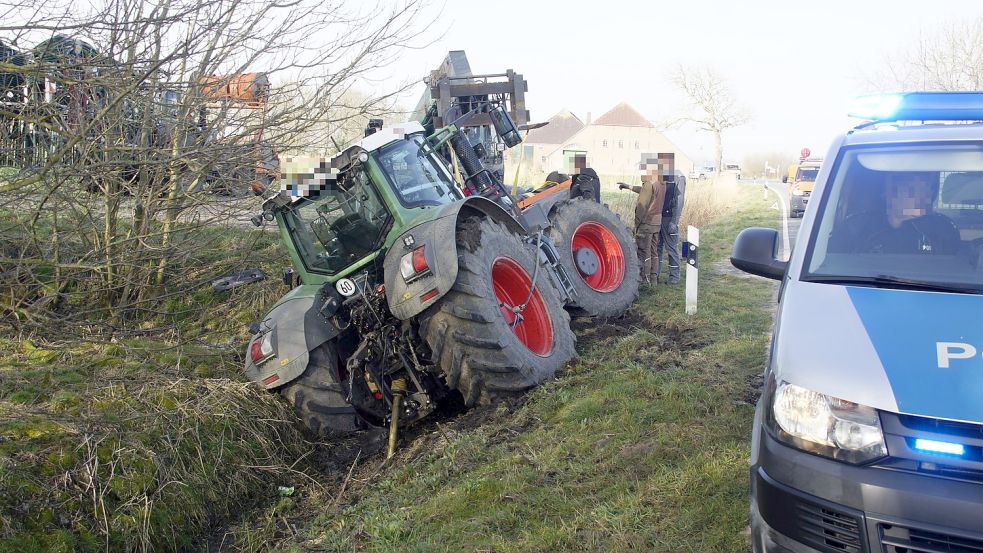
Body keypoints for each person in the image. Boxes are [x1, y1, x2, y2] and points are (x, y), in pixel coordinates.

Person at [855, 171, 960, 254]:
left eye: (927, 190)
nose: (924, 197)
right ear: (888, 193)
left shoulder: (943, 229)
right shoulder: (857, 228)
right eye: (913, 190)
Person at [619, 155, 666, 284]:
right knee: (653, 251)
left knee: (643, 252)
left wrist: (637, 225)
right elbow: (647, 191)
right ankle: (653, 279)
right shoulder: (662, 183)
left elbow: (642, 207)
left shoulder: (649, 184)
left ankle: (644, 280)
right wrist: (629, 186)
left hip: (646, 223)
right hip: (657, 222)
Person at [654, 153, 686, 284]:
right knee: (657, 248)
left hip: (669, 218)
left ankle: (674, 277)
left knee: (671, 248)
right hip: (657, 217)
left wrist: (675, 221)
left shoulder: (679, 176)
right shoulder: (659, 175)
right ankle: (655, 276)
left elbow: (680, 199)